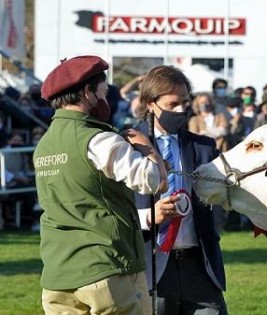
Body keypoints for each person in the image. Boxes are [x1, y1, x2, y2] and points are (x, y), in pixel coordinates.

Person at [33, 55, 167, 315]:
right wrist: (147, 148)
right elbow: (156, 182)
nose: (107, 100)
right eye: (104, 92)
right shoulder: (99, 140)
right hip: (108, 269)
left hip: (57, 276)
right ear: (87, 92)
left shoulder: (43, 145)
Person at [135, 65, 228, 315]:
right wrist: (148, 217)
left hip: (199, 265)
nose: (181, 110)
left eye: (186, 102)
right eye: (173, 103)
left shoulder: (205, 148)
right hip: (151, 265)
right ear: (151, 103)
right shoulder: (127, 146)